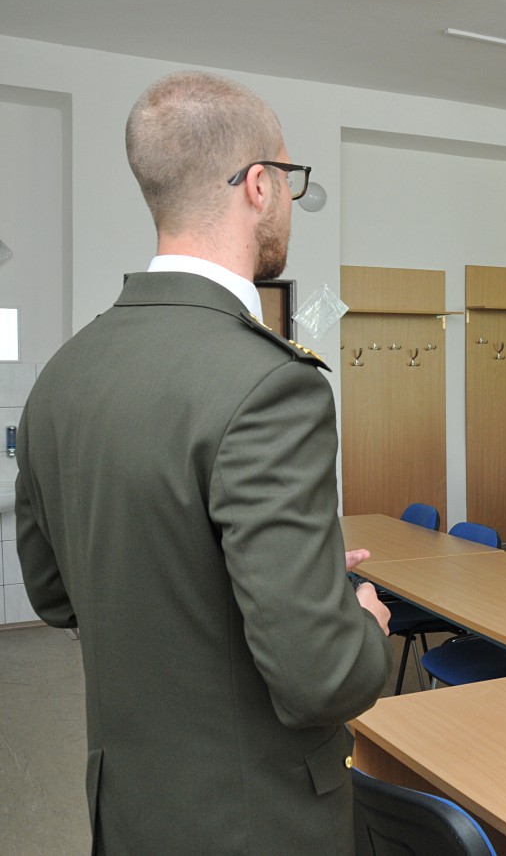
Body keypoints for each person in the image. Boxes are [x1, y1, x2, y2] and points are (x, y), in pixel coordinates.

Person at [14, 71, 392, 853]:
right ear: (259, 184)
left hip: (128, 806)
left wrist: (293, 578)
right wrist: (357, 621)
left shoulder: (64, 375)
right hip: (252, 819)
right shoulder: (270, 384)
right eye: (288, 179)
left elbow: (55, 594)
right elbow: (320, 678)